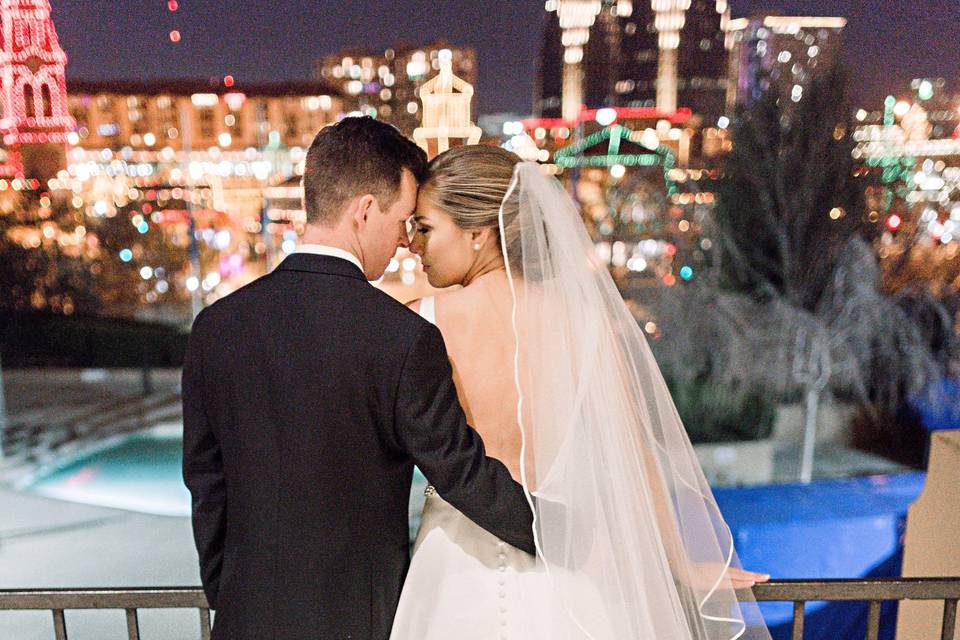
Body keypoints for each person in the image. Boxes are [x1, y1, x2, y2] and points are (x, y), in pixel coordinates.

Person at [391, 145, 772, 640]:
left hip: (451, 573)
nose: (414, 246)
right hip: (567, 574)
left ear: (478, 233)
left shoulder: (420, 322)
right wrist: (679, 562)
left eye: (424, 229)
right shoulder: (587, 323)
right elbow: (635, 452)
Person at [181, 118, 535, 640]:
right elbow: (462, 472)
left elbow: (207, 487)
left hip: (244, 617)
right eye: (401, 220)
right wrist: (571, 535)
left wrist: (231, 595)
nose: (402, 241)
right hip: (360, 622)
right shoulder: (402, 337)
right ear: (365, 210)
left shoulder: (215, 326)